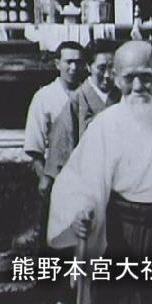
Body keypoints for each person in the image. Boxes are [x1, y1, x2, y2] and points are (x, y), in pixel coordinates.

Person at [46, 40, 152, 304]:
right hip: (124, 231)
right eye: (130, 77)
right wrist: (80, 212)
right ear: (116, 79)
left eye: (146, 76)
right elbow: (81, 180)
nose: (139, 86)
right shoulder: (105, 125)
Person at [42, 39, 121, 196]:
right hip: (86, 183)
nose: (107, 75)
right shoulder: (77, 100)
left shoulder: (122, 98)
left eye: (112, 68)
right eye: (101, 68)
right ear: (89, 67)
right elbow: (61, 150)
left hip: (118, 182)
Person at [24, 41, 85, 196]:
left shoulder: (88, 94)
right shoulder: (44, 97)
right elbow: (34, 145)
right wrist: (44, 177)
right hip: (55, 176)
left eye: (78, 62)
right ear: (58, 64)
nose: (73, 68)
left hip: (87, 176)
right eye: (68, 62)